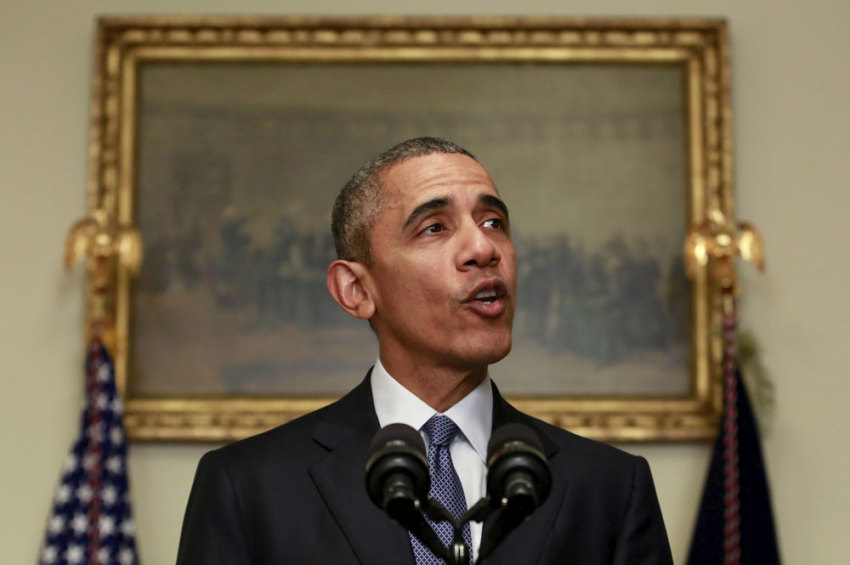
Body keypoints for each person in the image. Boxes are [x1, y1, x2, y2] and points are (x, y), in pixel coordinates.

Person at [176, 137, 673, 564]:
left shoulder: (609, 488)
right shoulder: (249, 487)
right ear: (356, 290)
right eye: (434, 227)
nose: (483, 248)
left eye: (493, 221)